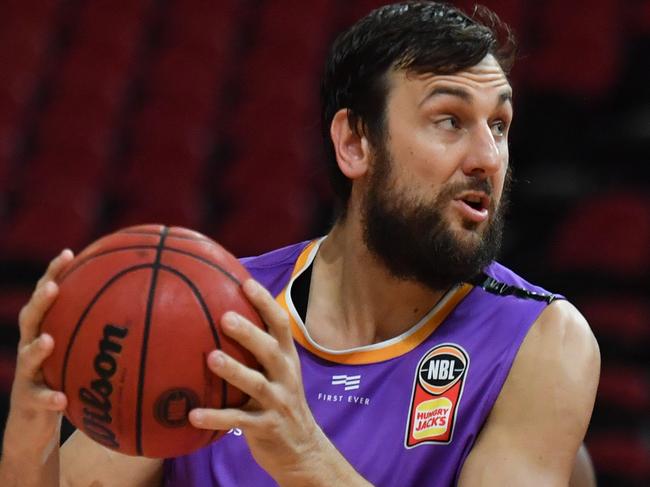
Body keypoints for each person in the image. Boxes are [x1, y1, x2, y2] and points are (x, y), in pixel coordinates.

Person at [0, 2, 600, 486]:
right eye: (450, 120)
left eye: (499, 125)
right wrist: (30, 431)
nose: (488, 157)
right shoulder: (218, 312)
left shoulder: (541, 339)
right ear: (355, 145)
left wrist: (304, 457)